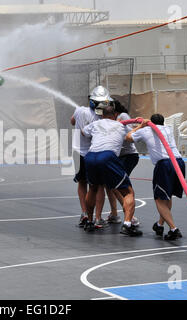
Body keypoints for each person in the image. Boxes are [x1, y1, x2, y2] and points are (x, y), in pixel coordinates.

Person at [82, 105, 142, 236]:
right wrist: (142, 125)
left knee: (92, 188)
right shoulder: (121, 126)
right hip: (107, 156)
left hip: (91, 156)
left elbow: (83, 132)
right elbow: (130, 137)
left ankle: (90, 221)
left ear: (102, 115)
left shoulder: (95, 123)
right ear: (115, 115)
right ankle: (127, 225)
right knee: (128, 192)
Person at [125, 113, 185, 240]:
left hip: (165, 165)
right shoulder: (168, 129)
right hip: (179, 162)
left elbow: (128, 137)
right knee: (167, 196)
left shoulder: (146, 130)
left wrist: (140, 126)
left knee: (159, 199)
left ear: (150, 123)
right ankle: (160, 224)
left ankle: (174, 229)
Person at [70, 85, 112, 229]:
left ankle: (85, 213)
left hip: (78, 151)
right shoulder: (101, 117)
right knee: (98, 185)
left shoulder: (79, 110)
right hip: (93, 153)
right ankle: (97, 217)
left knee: (82, 182)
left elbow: (72, 121)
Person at [105, 100, 141, 225]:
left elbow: (130, 135)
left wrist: (141, 126)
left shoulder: (122, 117)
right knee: (109, 185)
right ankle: (114, 214)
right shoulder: (108, 120)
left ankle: (130, 216)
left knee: (119, 185)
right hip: (119, 156)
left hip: (128, 155)